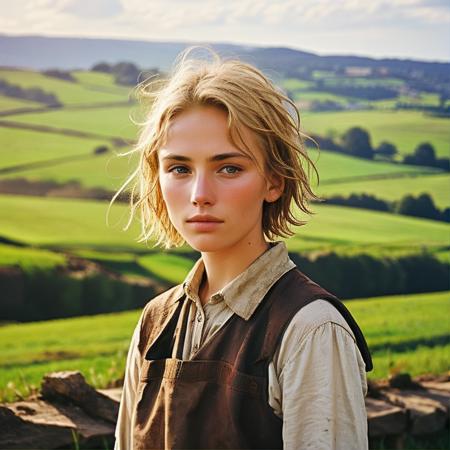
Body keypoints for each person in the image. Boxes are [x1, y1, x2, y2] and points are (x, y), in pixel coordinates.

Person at [112, 46, 373, 450]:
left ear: (274, 181)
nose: (200, 194)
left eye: (229, 168)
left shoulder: (310, 330)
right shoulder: (154, 322)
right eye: (179, 168)